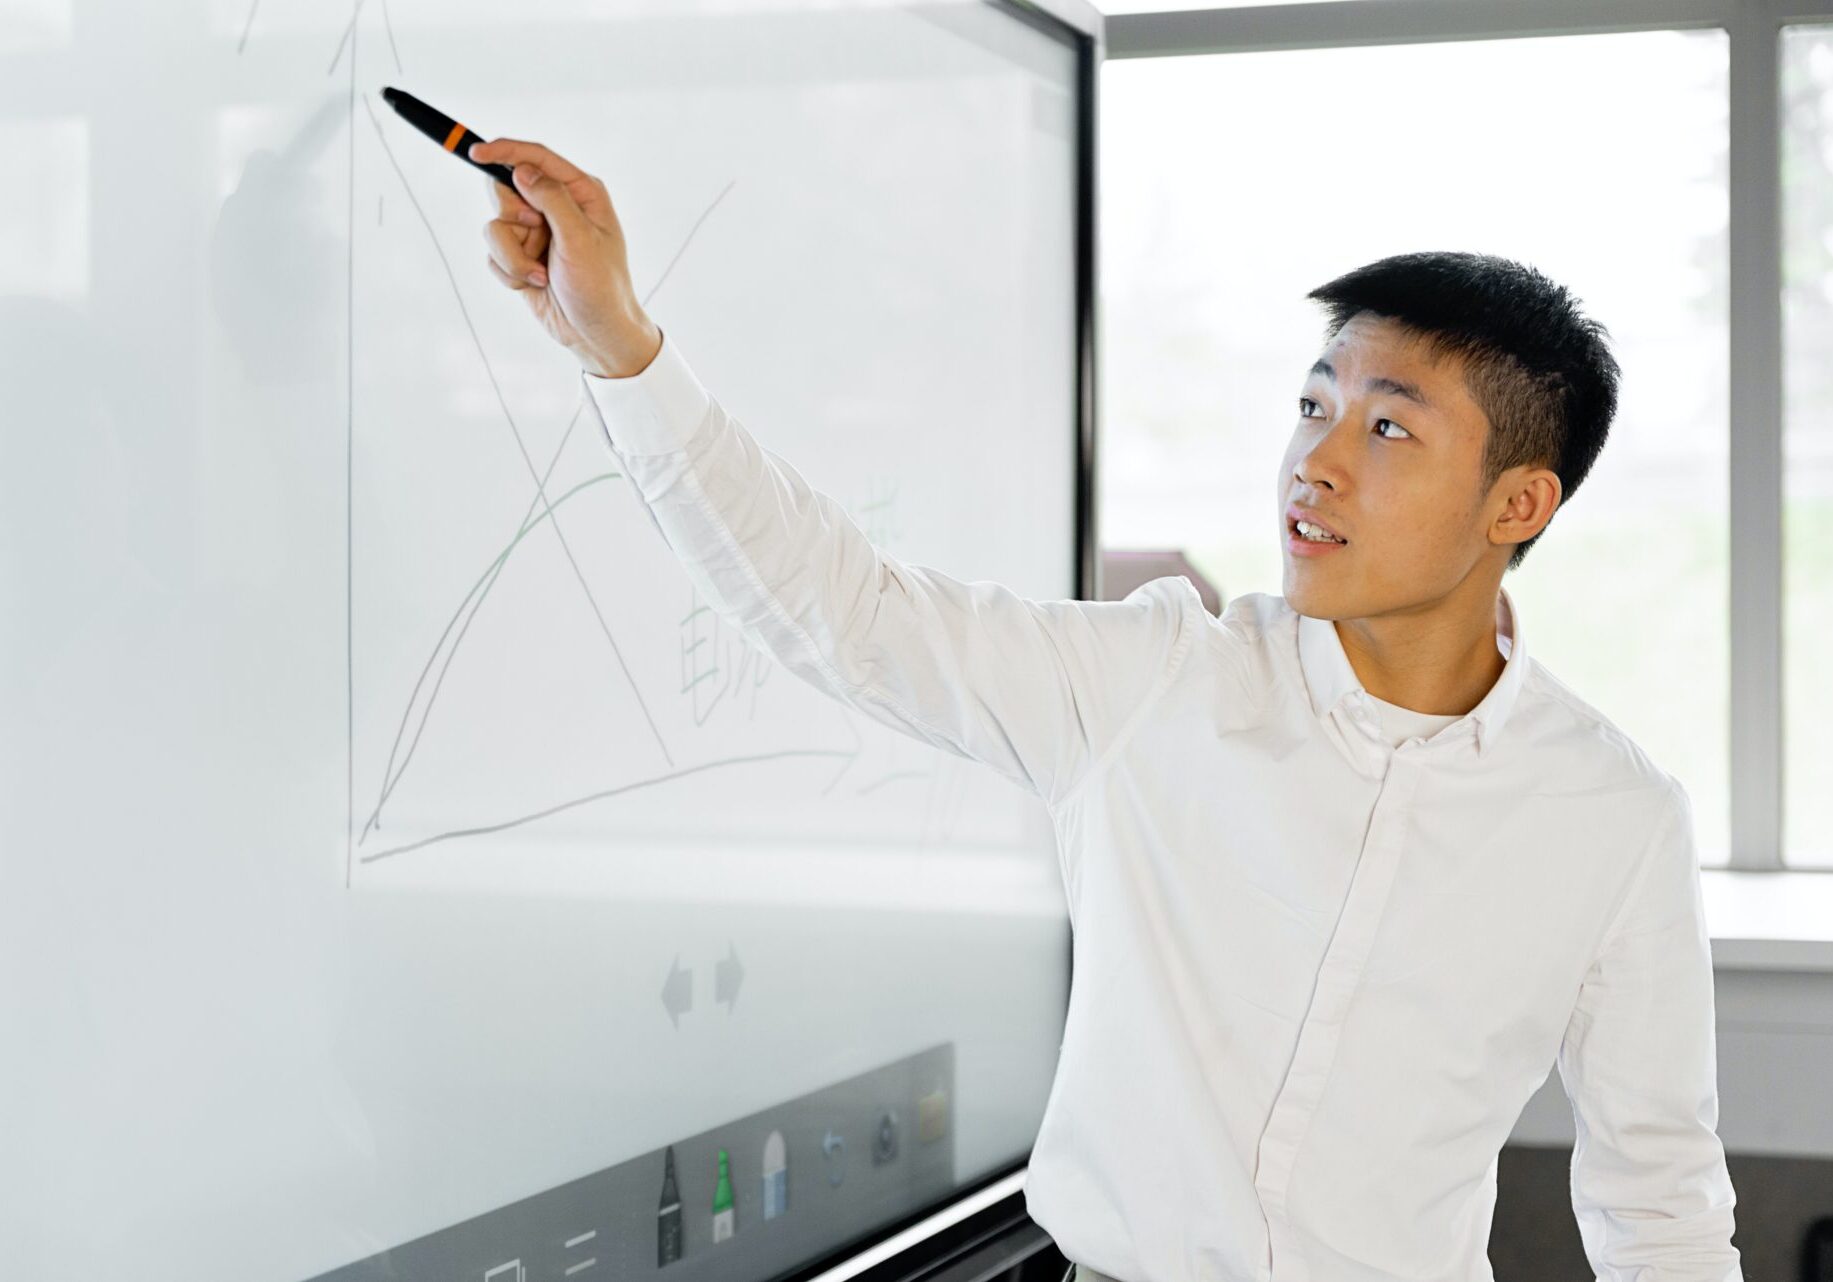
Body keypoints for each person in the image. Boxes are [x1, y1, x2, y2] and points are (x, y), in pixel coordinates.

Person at [467, 137, 1742, 1282]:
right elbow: (842, 609)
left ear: (1517, 505)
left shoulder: (1612, 819)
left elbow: (1662, 1208)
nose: (1317, 461)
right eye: (1312, 405)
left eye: (1390, 429)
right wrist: (618, 343)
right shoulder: (1160, 684)